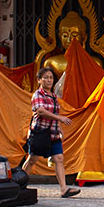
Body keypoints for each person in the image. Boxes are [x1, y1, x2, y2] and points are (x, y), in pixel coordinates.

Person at [21, 67, 80, 198]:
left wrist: (60, 130)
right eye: (46, 78)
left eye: (51, 78)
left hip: (53, 134)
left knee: (59, 158)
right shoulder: (38, 95)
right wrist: (60, 118)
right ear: (39, 80)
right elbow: (41, 111)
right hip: (40, 133)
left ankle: (64, 189)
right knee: (32, 159)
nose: (49, 80)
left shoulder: (54, 96)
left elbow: (55, 114)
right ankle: (20, 184)